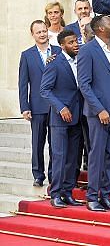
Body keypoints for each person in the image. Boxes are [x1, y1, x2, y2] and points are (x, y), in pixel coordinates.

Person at [77, 14, 110, 212]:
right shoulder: (88, 50)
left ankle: (106, 195)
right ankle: (92, 197)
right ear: (100, 29)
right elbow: (84, 84)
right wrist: (99, 110)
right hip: (99, 112)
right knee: (97, 154)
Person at [39, 30, 83, 208]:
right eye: (71, 42)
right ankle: (55, 193)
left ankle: (68, 192)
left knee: (73, 158)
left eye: (76, 41)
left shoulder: (82, 60)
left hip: (78, 115)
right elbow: (45, 90)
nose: (75, 44)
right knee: (59, 156)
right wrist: (60, 107)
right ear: (62, 45)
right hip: (60, 118)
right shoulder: (55, 63)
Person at [18, 20, 60, 187]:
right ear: (33, 35)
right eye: (39, 32)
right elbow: (23, 83)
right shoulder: (27, 55)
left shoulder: (58, 51)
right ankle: (38, 174)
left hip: (56, 105)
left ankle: (53, 174)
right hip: (37, 106)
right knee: (38, 141)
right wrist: (24, 106)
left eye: (44, 31)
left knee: (55, 142)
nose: (42, 34)